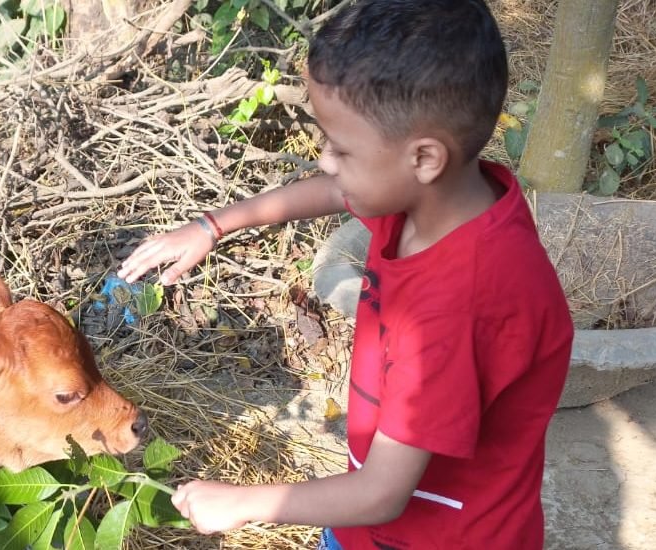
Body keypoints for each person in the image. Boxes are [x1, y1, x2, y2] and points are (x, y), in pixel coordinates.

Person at [116, 0, 574, 548]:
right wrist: (212, 226)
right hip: (369, 524)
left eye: (342, 149)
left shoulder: (456, 307)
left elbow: (381, 493)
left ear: (425, 159)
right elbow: (336, 191)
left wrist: (243, 502)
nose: (325, 160)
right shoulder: (435, 201)